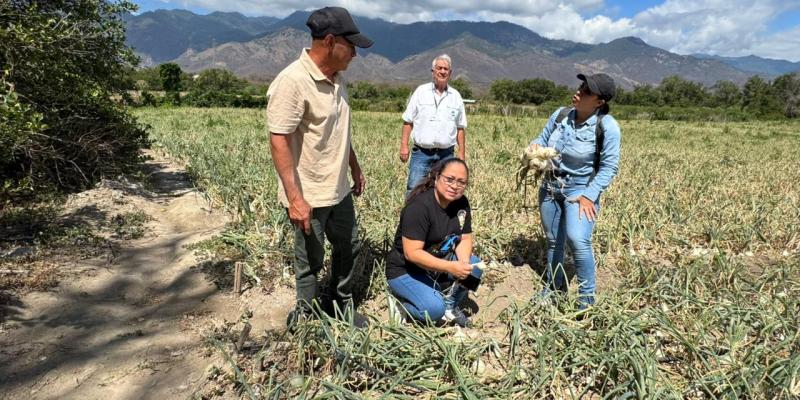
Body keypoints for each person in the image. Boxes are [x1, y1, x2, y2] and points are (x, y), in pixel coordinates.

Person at [267, 6, 373, 328]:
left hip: (338, 189)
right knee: (309, 260)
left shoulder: (338, 80)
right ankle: (307, 313)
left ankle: (340, 305)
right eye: (350, 45)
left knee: (348, 247)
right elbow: (279, 141)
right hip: (308, 193)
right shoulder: (293, 81)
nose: (355, 53)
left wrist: (354, 167)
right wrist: (295, 199)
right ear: (329, 41)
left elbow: (339, 131)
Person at [528, 73, 621, 310]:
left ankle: (586, 301)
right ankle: (553, 289)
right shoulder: (560, 115)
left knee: (578, 240)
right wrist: (535, 148)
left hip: (580, 190)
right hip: (550, 185)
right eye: (581, 86)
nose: (579, 92)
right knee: (553, 241)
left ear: (599, 102)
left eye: (587, 91)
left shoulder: (607, 127)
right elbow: (543, 137)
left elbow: (610, 166)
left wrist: (590, 195)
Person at [386, 158, 482, 327]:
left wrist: (463, 264)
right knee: (434, 310)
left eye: (461, 182)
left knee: (474, 267)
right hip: (406, 269)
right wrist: (451, 268)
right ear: (437, 177)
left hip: (436, 264)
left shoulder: (462, 203)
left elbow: (465, 238)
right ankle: (404, 307)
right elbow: (412, 253)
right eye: (449, 179)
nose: (454, 186)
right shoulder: (419, 207)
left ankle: (450, 306)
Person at [399, 54, 468, 197]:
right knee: (414, 189)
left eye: (446, 69)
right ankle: (411, 218)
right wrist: (404, 146)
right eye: (439, 68)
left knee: (446, 190)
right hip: (421, 153)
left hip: (446, 154)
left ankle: (440, 218)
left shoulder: (456, 97)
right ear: (433, 71)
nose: (442, 71)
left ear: (450, 73)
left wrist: (461, 154)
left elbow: (460, 127)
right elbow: (408, 121)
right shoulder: (420, 92)